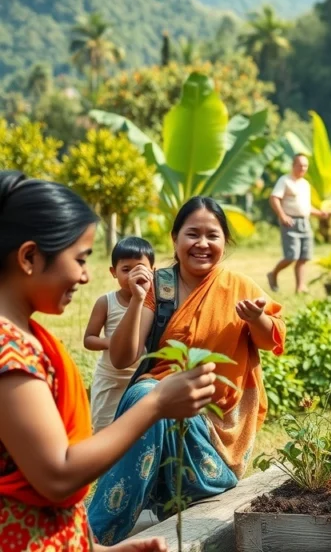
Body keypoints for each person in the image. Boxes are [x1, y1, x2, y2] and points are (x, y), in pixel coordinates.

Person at [0, 170, 218, 552]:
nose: (84, 276)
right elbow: (57, 476)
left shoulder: (28, 339)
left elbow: (33, 495)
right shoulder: (9, 354)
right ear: (30, 256)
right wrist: (156, 403)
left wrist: (99, 549)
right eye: (80, 259)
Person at [88, 197, 286, 544]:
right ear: (175, 239)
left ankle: (94, 533)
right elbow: (122, 358)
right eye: (192, 234)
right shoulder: (159, 286)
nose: (202, 244)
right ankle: (101, 530)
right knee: (150, 395)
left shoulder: (239, 286)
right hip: (159, 415)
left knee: (152, 397)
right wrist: (136, 299)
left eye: (213, 235)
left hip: (215, 440)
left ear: (225, 242)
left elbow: (272, 340)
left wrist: (257, 319)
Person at [84, 236, 156, 432]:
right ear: (113, 272)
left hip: (141, 379)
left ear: (153, 271)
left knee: (136, 432)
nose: (133, 275)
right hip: (111, 379)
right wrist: (115, 343)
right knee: (105, 428)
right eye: (126, 270)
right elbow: (89, 339)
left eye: (139, 269)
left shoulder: (156, 303)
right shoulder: (106, 302)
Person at [266, 153, 328, 293]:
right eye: (299, 165)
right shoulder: (285, 180)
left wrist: (320, 213)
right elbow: (274, 198)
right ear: (293, 165)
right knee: (291, 256)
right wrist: (282, 215)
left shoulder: (305, 184)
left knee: (304, 257)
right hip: (290, 222)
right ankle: (273, 273)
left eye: (305, 166)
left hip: (304, 222)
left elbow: (306, 206)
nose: (302, 168)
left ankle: (300, 286)